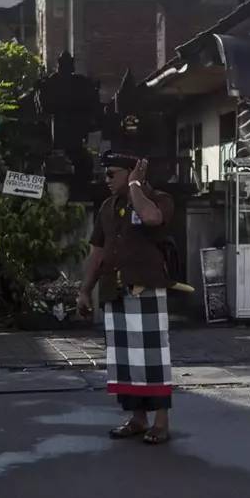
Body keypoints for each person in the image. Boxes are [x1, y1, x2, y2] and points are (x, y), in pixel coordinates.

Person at [77, 152, 175, 444]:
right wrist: (84, 289)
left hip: (145, 289)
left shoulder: (158, 198)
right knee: (125, 361)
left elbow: (151, 217)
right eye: (105, 174)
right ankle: (137, 418)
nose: (106, 179)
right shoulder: (108, 207)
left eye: (112, 174)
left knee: (153, 359)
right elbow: (97, 252)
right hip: (114, 290)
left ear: (132, 173)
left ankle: (160, 422)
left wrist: (135, 186)